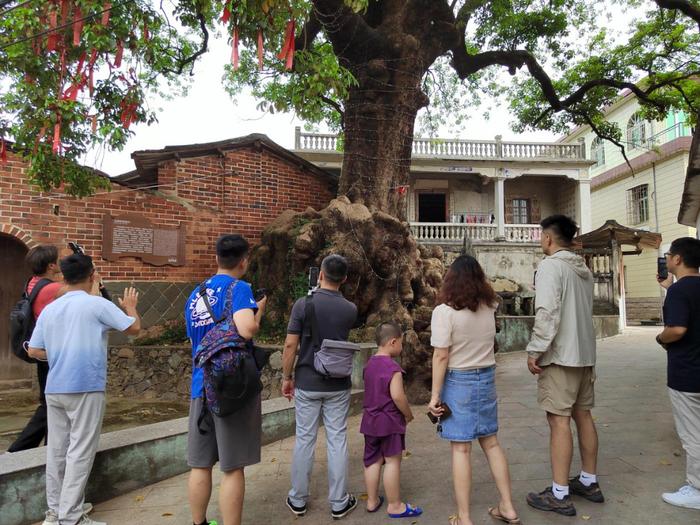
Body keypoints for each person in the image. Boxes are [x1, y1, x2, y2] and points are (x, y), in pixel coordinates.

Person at [27, 254, 140, 525]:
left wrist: (59, 352)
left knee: (56, 451)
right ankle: (72, 517)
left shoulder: (52, 308)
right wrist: (131, 306)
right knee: (80, 451)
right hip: (85, 385)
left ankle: (55, 512)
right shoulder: (96, 305)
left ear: (63, 277)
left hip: (55, 387)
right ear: (92, 275)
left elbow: (33, 349)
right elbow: (134, 328)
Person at [428, 255, 520, 525]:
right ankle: (508, 507)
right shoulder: (490, 306)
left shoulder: (444, 312)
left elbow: (441, 356)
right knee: (491, 443)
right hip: (486, 378)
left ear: (450, 280)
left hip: (459, 381)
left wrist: (435, 396)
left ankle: (465, 518)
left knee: (461, 450)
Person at [184, 234, 266, 525]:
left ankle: (199, 523)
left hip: (200, 386)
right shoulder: (240, 288)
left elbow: (195, 339)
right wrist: (259, 312)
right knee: (232, 467)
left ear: (216, 258)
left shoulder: (196, 294)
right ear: (244, 261)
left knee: (200, 463)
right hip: (230, 387)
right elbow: (246, 330)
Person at [525, 215, 602, 517]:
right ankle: (589, 481)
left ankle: (559, 493)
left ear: (548, 238)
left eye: (541, 235)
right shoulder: (583, 270)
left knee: (559, 421)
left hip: (560, 356)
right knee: (583, 415)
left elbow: (547, 311)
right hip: (585, 355)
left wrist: (535, 350)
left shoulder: (551, 266)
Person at [281, 254, 359, 520]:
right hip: (338, 383)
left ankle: (298, 499)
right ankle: (339, 502)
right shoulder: (350, 309)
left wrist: (286, 377)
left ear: (321, 274)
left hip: (307, 380)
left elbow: (291, 345)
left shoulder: (303, 305)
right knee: (337, 438)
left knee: (305, 438)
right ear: (345, 279)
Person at [656, 237, 700, 510]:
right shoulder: (681, 289)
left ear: (678, 259)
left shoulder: (679, 292)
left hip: (687, 374)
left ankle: (696, 489)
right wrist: (668, 290)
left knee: (692, 434)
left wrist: (661, 338)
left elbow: (677, 329)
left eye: (670, 255)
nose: (668, 259)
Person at [361, 321, 422, 518]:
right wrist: (408, 414)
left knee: (372, 460)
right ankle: (395, 505)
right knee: (392, 461)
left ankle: (371, 501)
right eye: (401, 343)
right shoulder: (392, 368)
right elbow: (397, 396)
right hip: (389, 422)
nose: (402, 347)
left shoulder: (369, 364)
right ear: (393, 342)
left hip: (369, 421)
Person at [8, 245, 64, 452]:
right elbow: (80, 290)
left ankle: (46, 449)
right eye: (57, 260)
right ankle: (18, 450)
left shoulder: (32, 283)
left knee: (49, 403)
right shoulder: (52, 288)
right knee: (50, 405)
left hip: (42, 350)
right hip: (51, 352)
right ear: (51, 266)